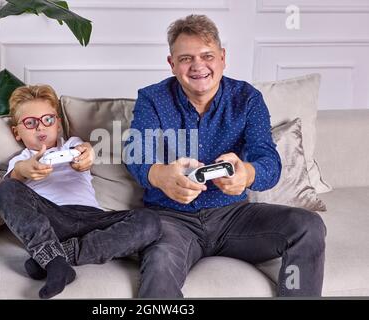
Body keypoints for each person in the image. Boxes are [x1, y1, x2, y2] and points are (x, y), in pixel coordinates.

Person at [124, 14, 326, 297]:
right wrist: (160, 176)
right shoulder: (152, 98)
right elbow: (135, 153)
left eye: (207, 55)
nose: (198, 66)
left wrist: (246, 174)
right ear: (172, 64)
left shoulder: (247, 98)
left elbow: (268, 161)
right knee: (159, 264)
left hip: (235, 217)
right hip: (171, 220)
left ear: (222, 58)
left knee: (308, 226)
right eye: (185, 59)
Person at [0, 85, 161, 299]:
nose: (40, 128)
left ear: (58, 124)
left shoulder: (72, 144)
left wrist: (86, 156)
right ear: (17, 132)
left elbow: (86, 153)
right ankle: (53, 261)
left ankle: (54, 258)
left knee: (150, 221)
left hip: (93, 220)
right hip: (51, 221)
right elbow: (13, 181)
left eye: (48, 120)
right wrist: (24, 170)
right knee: (4, 189)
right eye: (31, 123)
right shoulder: (20, 160)